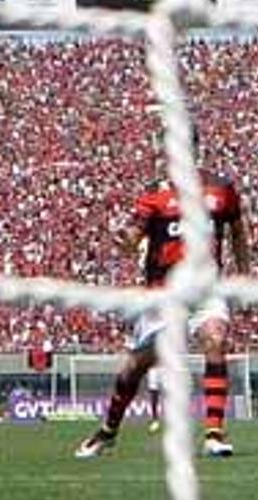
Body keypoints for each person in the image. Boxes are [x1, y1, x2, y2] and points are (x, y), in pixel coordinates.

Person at [75, 141, 249, 461]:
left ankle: (213, 432)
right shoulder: (154, 192)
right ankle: (108, 431)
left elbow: (238, 232)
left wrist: (244, 275)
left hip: (206, 288)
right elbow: (134, 235)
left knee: (215, 338)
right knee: (135, 366)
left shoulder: (222, 188)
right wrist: (124, 241)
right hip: (164, 293)